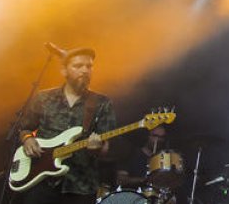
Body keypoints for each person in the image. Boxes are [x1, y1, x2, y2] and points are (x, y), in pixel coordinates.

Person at [18, 47, 117, 204]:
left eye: (89, 66)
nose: (85, 70)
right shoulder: (44, 98)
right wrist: (28, 139)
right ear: (64, 71)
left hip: (80, 185)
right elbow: (25, 128)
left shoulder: (102, 103)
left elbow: (105, 147)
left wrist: (97, 148)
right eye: (78, 66)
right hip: (40, 181)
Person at [116, 124, 170, 191]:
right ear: (148, 136)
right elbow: (121, 180)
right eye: (155, 136)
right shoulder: (132, 154)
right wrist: (145, 180)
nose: (158, 139)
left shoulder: (163, 159)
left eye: (161, 137)